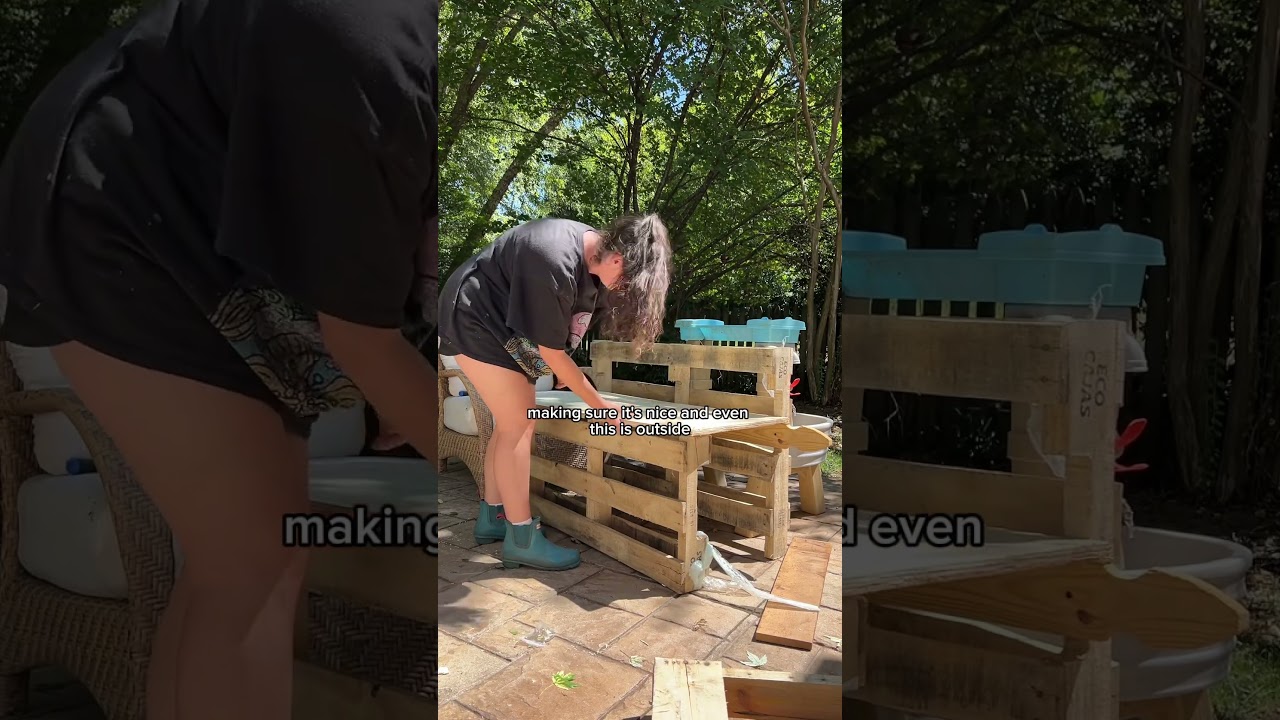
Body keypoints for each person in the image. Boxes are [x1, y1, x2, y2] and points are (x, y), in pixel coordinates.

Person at [0, 1, 437, 719]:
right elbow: (364, 341)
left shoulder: (401, 70)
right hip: (123, 208)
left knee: (239, 565)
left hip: (187, 235)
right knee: (254, 564)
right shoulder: (378, 56)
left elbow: (374, 318)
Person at [438, 215, 672, 570]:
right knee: (519, 425)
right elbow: (549, 352)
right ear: (618, 259)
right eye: (627, 285)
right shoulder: (552, 256)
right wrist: (599, 404)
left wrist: (569, 376)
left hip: (504, 326)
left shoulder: (595, 271)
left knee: (509, 425)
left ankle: (492, 518)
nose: (622, 292)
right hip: (474, 314)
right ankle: (521, 538)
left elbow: (564, 333)